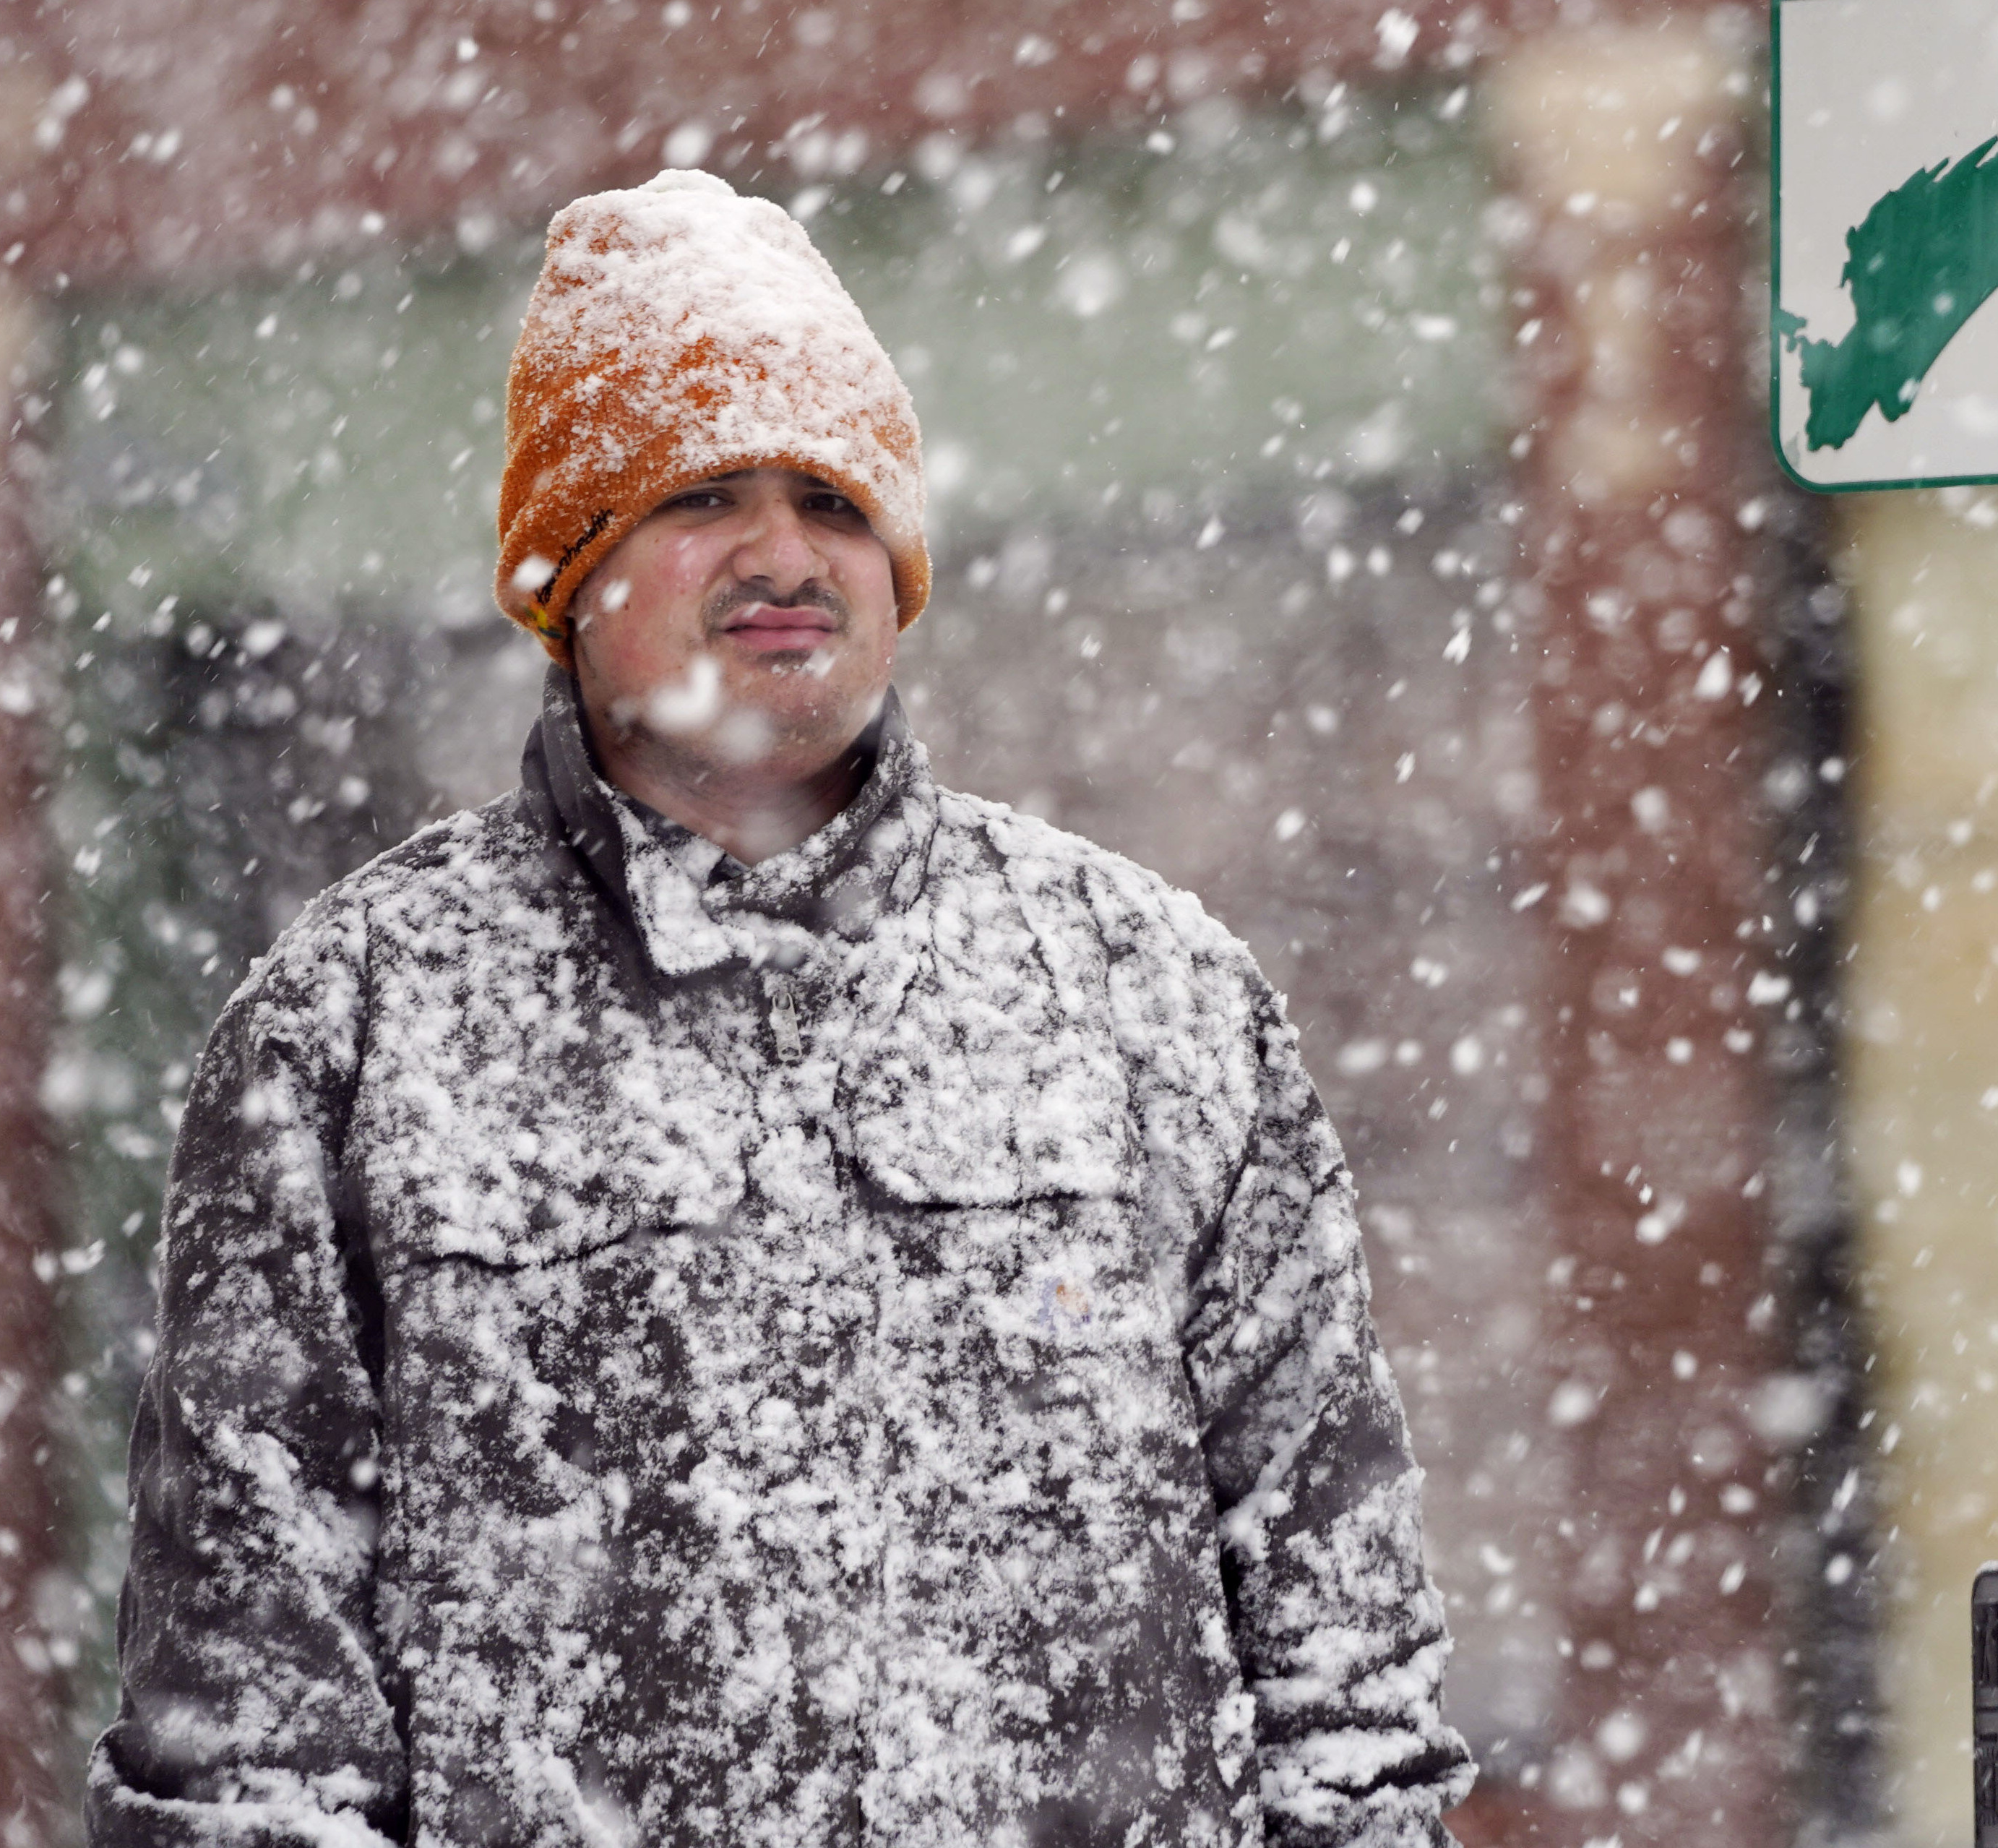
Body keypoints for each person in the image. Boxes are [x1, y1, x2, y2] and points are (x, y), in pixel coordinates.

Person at [87, 170, 1473, 1848]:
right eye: (699, 499)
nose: (782, 555)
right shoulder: (359, 1029)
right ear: (566, 571)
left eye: (832, 500)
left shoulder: (1147, 996)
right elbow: (246, 1758)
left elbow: (1351, 1687)